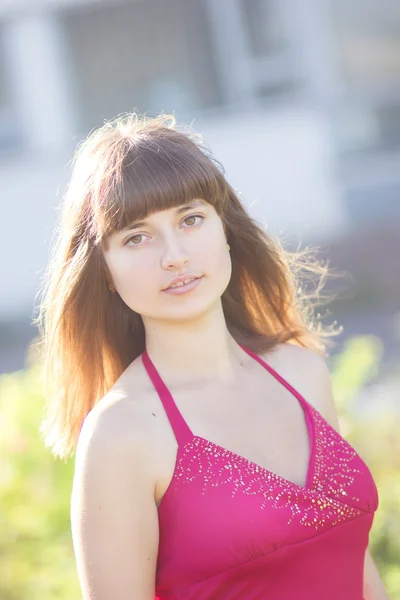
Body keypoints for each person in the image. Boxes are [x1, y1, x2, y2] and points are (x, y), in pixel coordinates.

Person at [35, 113, 389, 599]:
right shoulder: (123, 433)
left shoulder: (302, 371)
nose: (175, 255)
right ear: (104, 272)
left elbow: (357, 566)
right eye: (136, 236)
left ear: (225, 228)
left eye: (191, 219)